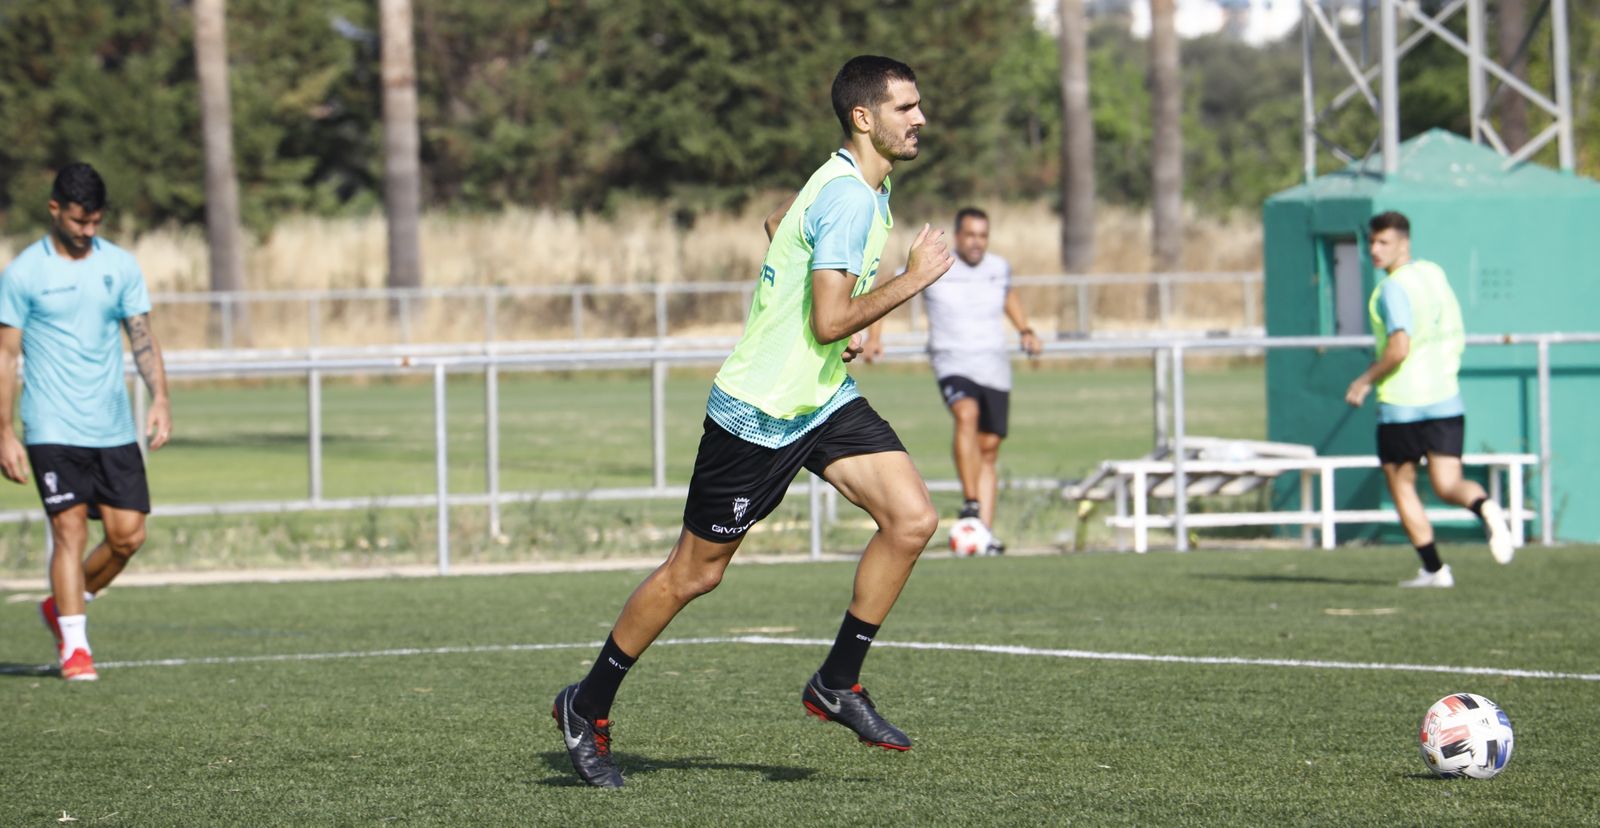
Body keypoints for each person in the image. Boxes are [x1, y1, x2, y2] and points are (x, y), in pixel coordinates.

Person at [551, 55, 953, 788]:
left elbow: (781, 225)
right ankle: (586, 703)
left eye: (918, 105)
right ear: (864, 119)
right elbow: (830, 318)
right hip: (759, 413)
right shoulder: (851, 199)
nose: (920, 118)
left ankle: (837, 682)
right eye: (905, 108)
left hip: (821, 397)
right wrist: (909, 283)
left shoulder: (858, 180)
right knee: (693, 575)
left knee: (913, 518)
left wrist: (838, 305)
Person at [0, 163, 172, 681]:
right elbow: (6, 355)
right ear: (55, 210)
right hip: (50, 423)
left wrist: (160, 396)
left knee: (128, 537)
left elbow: (141, 334)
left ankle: (63, 605)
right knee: (68, 530)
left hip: (111, 424)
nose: (87, 232)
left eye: (95, 222)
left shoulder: (118, 266)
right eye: (79, 221)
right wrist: (4, 430)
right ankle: (75, 647)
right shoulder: (23, 273)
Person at [1344, 210, 1512, 588]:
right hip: (1446, 399)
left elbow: (1399, 348)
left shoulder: (1391, 288)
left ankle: (1435, 570)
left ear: (1404, 242)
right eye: (1371, 241)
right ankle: (1486, 507)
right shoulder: (1434, 274)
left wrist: (1364, 380)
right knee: (1449, 484)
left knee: (1402, 486)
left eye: (1383, 242)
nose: (1374, 249)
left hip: (1403, 403)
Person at [863, 207, 1040, 554]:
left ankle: (983, 533)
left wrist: (1026, 330)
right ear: (958, 236)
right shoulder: (937, 265)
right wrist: (874, 337)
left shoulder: (998, 268)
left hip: (994, 367)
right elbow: (891, 288)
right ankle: (971, 502)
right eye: (971, 235)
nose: (977, 243)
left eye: (983, 236)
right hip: (952, 361)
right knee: (966, 414)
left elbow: (1009, 296)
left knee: (988, 451)